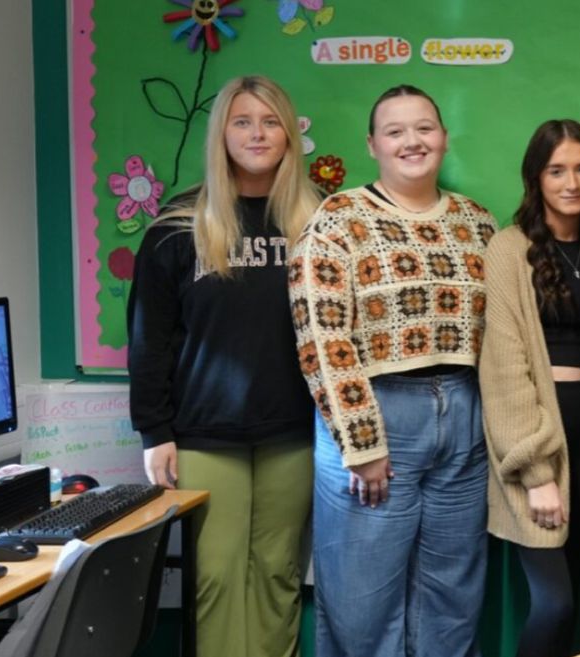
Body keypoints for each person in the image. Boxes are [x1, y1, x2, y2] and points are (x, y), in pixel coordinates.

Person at [289, 85, 497, 657]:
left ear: (444, 138)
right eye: (396, 131)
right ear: (373, 144)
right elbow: (321, 337)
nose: (413, 141)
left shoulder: (478, 225)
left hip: (464, 418)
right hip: (376, 420)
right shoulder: (337, 222)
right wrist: (361, 441)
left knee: (454, 594)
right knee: (363, 601)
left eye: (425, 127)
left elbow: (501, 336)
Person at [127, 75, 321, 657]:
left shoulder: (321, 221)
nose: (257, 134)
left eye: (269, 121)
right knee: (213, 578)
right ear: (222, 133)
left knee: (278, 574)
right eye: (242, 121)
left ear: (289, 133)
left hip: (296, 432)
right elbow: (149, 338)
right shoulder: (178, 223)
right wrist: (154, 432)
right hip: (205, 435)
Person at [480, 120, 580, 657]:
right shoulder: (509, 248)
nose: (572, 182)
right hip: (539, 441)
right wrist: (537, 472)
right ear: (535, 177)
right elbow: (503, 366)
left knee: (578, 586)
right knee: (554, 602)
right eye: (557, 170)